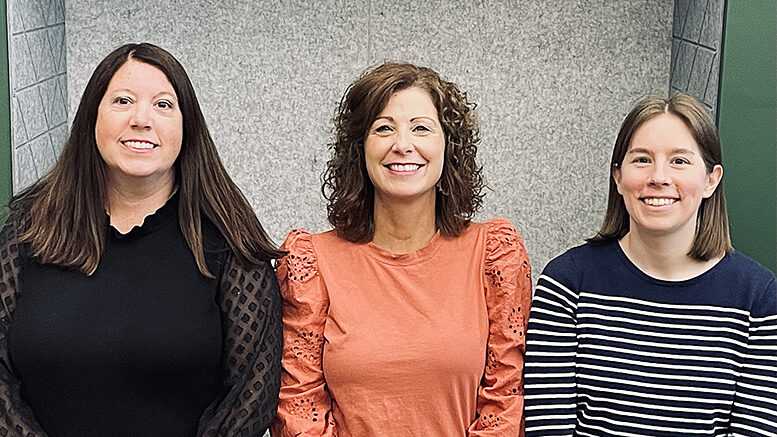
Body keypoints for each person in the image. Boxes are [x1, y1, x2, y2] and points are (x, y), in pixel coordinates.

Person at [0, 43, 283, 437]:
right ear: (91, 119)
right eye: (122, 101)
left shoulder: (228, 240)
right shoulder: (29, 227)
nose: (141, 119)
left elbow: (252, 395)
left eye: (164, 105)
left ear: (187, 127)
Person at [270, 62, 532, 437]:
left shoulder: (494, 253)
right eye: (384, 128)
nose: (403, 144)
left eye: (421, 128)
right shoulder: (310, 262)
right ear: (359, 148)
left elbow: (508, 397)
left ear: (448, 146)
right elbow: (298, 406)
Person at [524, 93, 777, 436]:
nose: (658, 177)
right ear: (618, 176)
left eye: (679, 161)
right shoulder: (566, 284)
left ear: (710, 180)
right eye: (642, 159)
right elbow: (548, 429)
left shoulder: (758, 297)